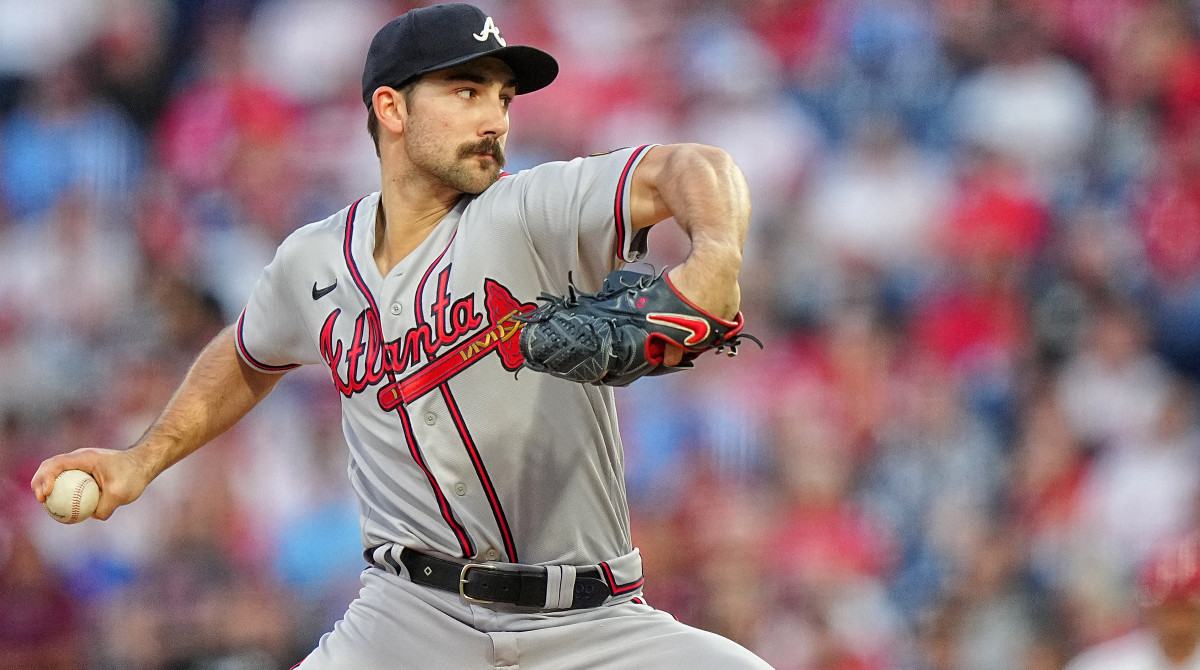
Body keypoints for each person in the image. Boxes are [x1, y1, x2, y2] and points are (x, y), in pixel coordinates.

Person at [31, 4, 772, 668]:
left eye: (503, 97)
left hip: (591, 624)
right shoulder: (314, 260)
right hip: (408, 621)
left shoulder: (531, 210)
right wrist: (143, 459)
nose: (496, 119)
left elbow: (692, 166)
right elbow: (248, 353)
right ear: (390, 106)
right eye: (466, 91)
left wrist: (717, 256)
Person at [1066, 532, 1200, 670]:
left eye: (1188, 611)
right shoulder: (1107, 664)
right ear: (1148, 612)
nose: (1177, 625)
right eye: (1167, 612)